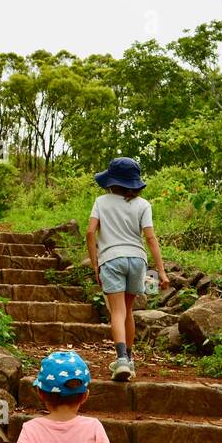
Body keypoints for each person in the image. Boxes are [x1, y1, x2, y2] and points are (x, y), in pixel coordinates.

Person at [86, 157, 169, 382]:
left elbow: (90, 232)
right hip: (137, 260)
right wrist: (161, 271)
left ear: (111, 181)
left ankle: (121, 359)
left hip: (111, 259)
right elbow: (150, 238)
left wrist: (95, 264)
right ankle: (129, 359)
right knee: (128, 311)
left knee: (117, 312)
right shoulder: (143, 205)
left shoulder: (101, 202)